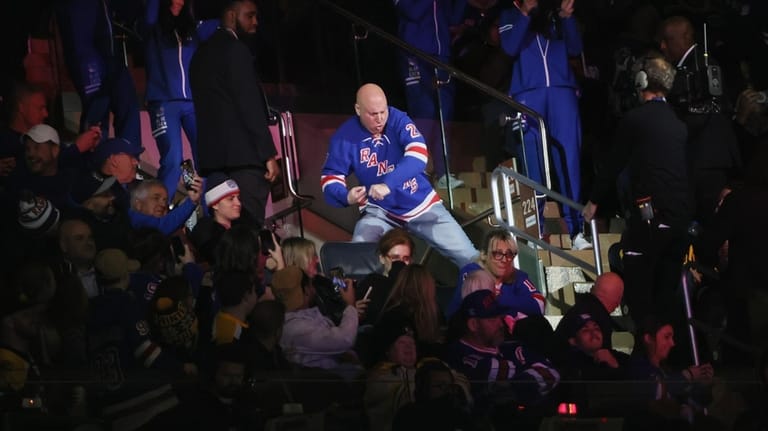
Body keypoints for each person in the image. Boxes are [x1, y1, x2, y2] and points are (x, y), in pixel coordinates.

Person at [320, 83, 478, 268]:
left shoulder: (398, 119)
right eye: (373, 114)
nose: (380, 119)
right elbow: (330, 178)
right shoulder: (344, 136)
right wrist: (345, 196)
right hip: (380, 211)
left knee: (470, 257)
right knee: (360, 259)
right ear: (358, 109)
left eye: (383, 111)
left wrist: (388, 184)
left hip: (420, 202)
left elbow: (419, 155)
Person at [583, 55, 691, 325]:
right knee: (666, 292)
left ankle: (646, 353)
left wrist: (594, 200)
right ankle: (667, 355)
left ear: (642, 81)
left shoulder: (635, 119)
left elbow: (614, 163)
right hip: (680, 218)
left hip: (651, 215)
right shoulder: (679, 125)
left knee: (639, 287)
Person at [499, 0, 590, 249]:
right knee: (532, 161)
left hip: (563, 92)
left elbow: (575, 48)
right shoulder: (509, 14)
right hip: (527, 94)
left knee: (568, 159)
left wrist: (567, 17)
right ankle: (535, 229)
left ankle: (576, 231)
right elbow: (509, 47)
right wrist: (526, 14)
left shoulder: (554, 15)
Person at [190, 0, 280, 228]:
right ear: (231, 16)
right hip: (244, 160)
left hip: (213, 162)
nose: (255, 22)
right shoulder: (236, 50)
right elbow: (248, 105)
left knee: (223, 235)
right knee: (247, 234)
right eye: (249, 16)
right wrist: (268, 154)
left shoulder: (200, 54)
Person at [658, 16, 741, 230]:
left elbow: (706, 112)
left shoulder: (701, 65)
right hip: (703, 159)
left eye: (667, 40)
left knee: (711, 220)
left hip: (708, 159)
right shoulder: (692, 65)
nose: (662, 46)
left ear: (684, 39)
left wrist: (672, 132)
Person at [442, 289, 559, 420]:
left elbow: (551, 373)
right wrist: (528, 377)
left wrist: (514, 386)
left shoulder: (509, 346)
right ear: (473, 324)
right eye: (492, 319)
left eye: (500, 316)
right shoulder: (458, 353)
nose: (500, 323)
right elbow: (498, 372)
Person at [142, 0, 218, 198]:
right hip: (164, 103)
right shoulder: (152, 27)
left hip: (192, 102)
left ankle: (208, 212)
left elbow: (226, 20)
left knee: (206, 158)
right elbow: (150, 15)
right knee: (173, 161)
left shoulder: (192, 30)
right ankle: (160, 215)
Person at [393, 0, 467, 189]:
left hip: (442, 57)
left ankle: (444, 173)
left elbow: (454, 18)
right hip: (415, 55)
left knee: (444, 114)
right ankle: (418, 173)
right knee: (423, 113)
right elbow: (412, 11)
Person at [54, 0, 143, 151]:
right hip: (88, 59)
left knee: (128, 106)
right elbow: (78, 41)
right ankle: (93, 166)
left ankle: (129, 161)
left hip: (112, 58)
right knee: (97, 113)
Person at [446, 228, 544, 318]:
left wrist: (502, 299)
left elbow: (540, 305)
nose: (504, 259)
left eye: (509, 254)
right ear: (484, 255)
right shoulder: (471, 272)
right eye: (497, 254)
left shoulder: (518, 276)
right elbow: (477, 309)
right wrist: (515, 310)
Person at [553, 271, 624, 350]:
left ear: (593, 288)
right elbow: (601, 357)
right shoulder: (601, 320)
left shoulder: (579, 308)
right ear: (618, 301)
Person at [129, 177, 202, 236]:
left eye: (165, 200)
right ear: (138, 204)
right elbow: (162, 226)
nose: (163, 204)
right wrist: (191, 201)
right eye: (156, 198)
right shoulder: (133, 220)